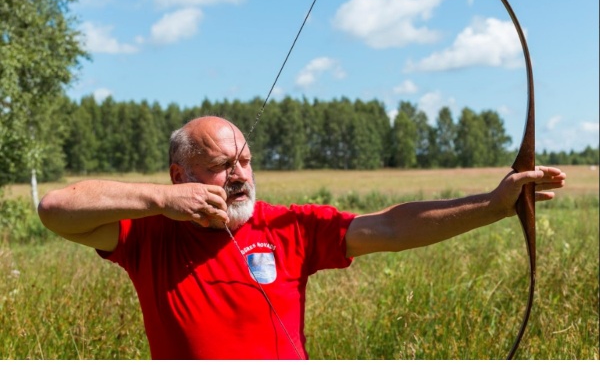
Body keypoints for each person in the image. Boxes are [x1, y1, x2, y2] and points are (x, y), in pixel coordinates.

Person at [37, 115, 566, 359]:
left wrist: (494, 206)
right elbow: (55, 209)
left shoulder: (289, 226)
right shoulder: (150, 235)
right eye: (222, 165)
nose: (240, 174)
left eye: (245, 160)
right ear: (181, 176)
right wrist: (160, 202)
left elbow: (391, 225)